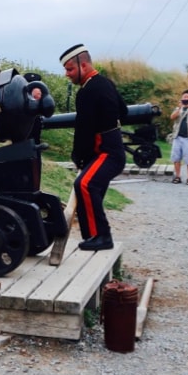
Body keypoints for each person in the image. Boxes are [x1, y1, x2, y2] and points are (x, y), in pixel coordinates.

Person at [59, 44, 127, 251]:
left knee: (85, 185)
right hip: (111, 146)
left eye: (70, 69)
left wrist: (78, 156)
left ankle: (102, 236)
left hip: (108, 151)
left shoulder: (88, 91)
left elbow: (84, 129)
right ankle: (92, 237)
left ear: (84, 65)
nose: (67, 74)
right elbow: (123, 112)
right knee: (88, 188)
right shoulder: (106, 83)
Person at [169, 89, 188, 185]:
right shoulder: (178, 108)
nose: (186, 98)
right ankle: (178, 176)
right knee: (176, 158)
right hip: (177, 136)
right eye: (185, 97)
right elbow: (172, 117)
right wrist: (179, 108)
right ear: (181, 98)